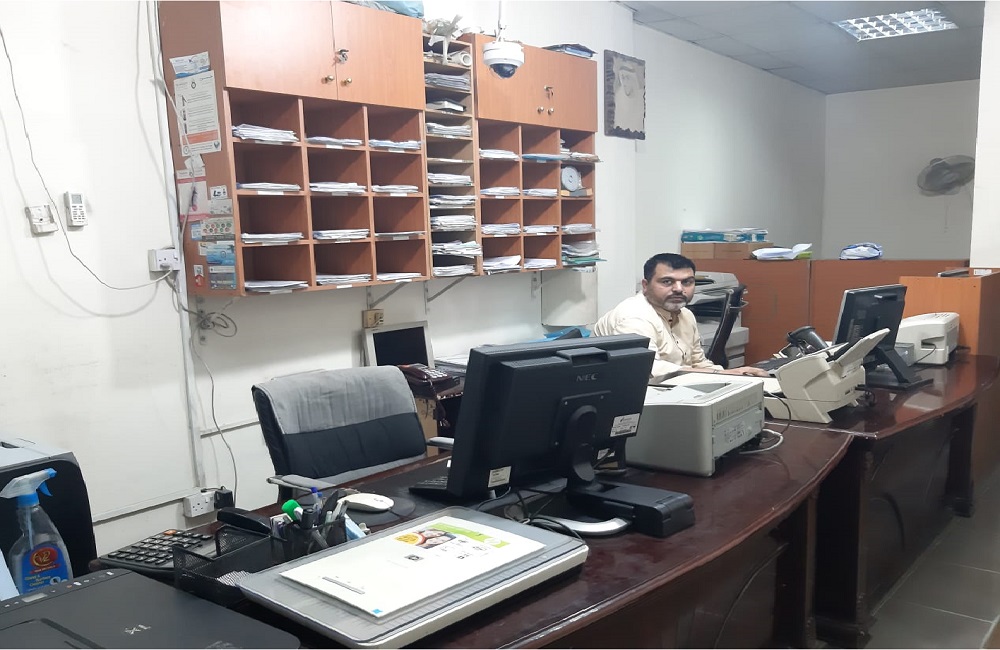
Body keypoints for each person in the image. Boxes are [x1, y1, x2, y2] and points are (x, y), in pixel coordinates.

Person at [593, 253, 769, 378]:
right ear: (645, 285)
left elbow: (698, 362)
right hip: (638, 397)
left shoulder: (685, 314)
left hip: (675, 389)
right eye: (667, 281)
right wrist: (723, 373)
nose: (679, 289)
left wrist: (732, 377)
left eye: (687, 282)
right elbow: (649, 371)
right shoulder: (634, 317)